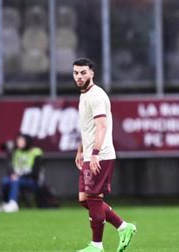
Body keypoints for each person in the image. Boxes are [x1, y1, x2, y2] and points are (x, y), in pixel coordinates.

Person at [73, 58, 136, 252]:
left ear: (92, 73)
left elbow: (101, 126)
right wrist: (80, 150)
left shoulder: (96, 96)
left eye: (83, 72)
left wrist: (94, 154)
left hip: (101, 155)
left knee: (93, 198)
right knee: (84, 199)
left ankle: (96, 245)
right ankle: (124, 227)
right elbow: (88, 128)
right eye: (76, 73)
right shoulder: (84, 95)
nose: (79, 76)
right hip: (90, 154)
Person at [0, 134, 43, 213]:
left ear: (27, 142)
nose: (19, 143)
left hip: (31, 180)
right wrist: (12, 174)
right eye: (18, 141)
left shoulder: (35, 152)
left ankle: (13, 204)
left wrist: (19, 175)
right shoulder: (14, 152)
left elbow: (35, 172)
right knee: (5, 181)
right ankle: (5, 203)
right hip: (15, 178)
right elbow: (9, 166)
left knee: (15, 181)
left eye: (22, 141)